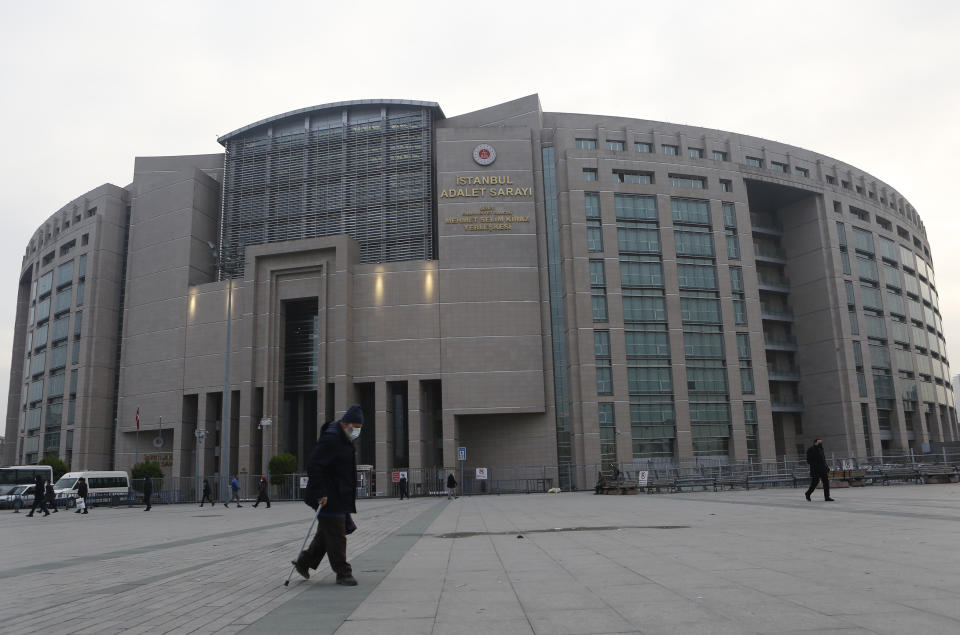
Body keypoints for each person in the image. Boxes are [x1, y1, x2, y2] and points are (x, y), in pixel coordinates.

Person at [292, 404, 363, 586]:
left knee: (327, 534)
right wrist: (321, 492)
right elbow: (314, 465)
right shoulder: (332, 439)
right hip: (327, 496)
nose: (357, 431)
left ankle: (304, 562)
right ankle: (343, 572)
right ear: (346, 423)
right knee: (337, 534)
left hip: (337, 494)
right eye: (355, 427)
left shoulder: (343, 437)